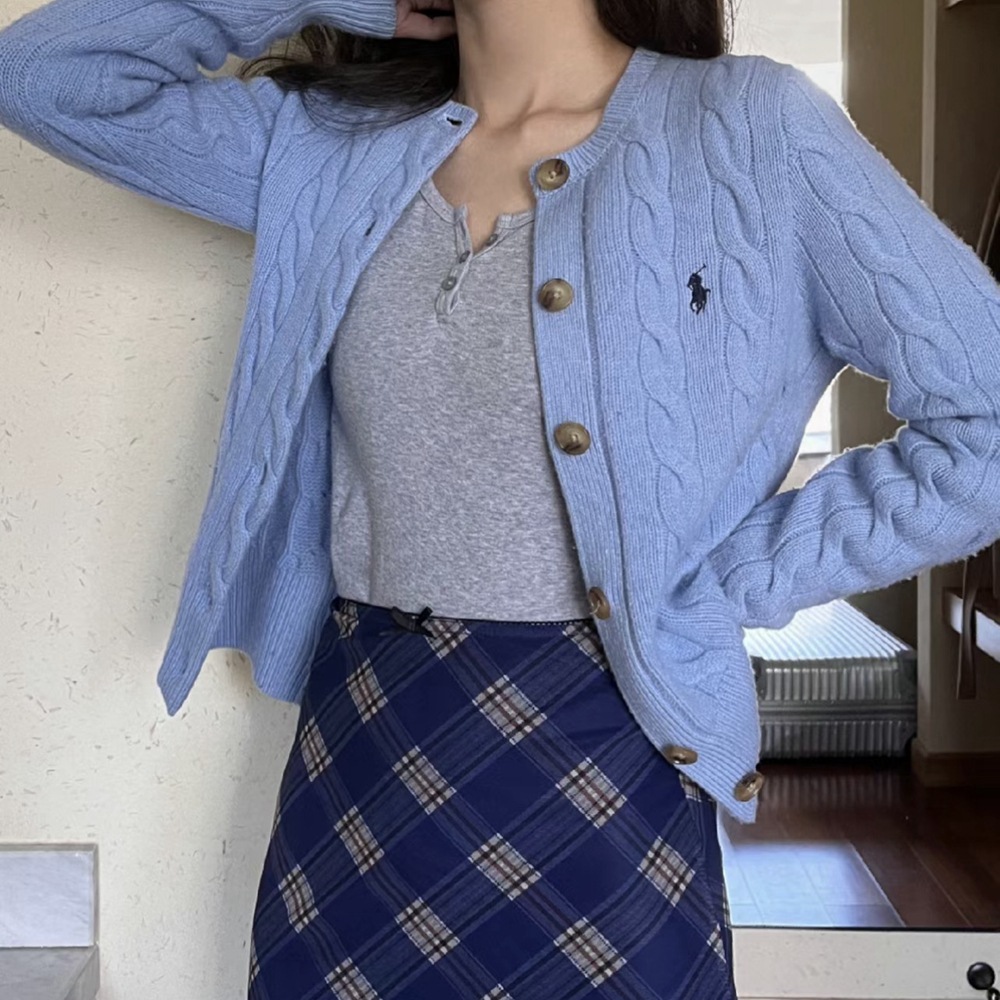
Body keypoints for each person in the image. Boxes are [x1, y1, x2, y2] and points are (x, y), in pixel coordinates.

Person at [4, 0, 1000, 997]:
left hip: (605, 753)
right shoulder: (332, 143)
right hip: (365, 743)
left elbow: (985, 418)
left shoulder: (750, 130)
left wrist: (719, 583)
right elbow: (44, 77)